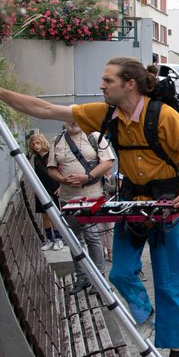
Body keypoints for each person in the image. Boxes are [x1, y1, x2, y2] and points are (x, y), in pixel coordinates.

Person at [0, 58, 179, 357]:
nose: (101, 85)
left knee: (170, 282)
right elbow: (45, 110)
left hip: (166, 207)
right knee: (119, 272)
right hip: (132, 204)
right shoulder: (104, 114)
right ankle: (144, 314)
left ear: (129, 84)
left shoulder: (164, 116)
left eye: (108, 80)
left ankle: (175, 356)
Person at [47, 121, 115, 293]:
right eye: (68, 117)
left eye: (76, 116)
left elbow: (108, 162)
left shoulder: (94, 136)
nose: (73, 121)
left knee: (92, 237)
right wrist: (62, 180)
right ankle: (82, 278)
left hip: (92, 196)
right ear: (63, 120)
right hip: (67, 198)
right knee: (74, 240)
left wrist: (87, 177)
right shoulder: (57, 140)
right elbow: (52, 168)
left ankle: (99, 279)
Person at [28, 131, 63, 250]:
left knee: (54, 214)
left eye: (38, 143)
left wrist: (61, 186)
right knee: (44, 215)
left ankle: (59, 239)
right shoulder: (36, 158)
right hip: (41, 189)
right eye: (33, 144)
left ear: (43, 143)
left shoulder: (51, 156)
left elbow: (61, 171)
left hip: (53, 188)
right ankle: (49, 239)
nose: (36, 146)